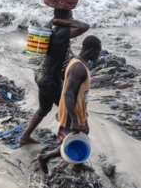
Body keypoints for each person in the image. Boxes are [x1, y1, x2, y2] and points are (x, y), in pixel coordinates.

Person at [19, 9, 90, 144]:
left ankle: (25, 136)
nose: (72, 18)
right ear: (65, 18)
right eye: (70, 15)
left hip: (42, 75)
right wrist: (60, 20)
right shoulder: (62, 32)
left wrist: (57, 20)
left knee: (44, 108)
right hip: (50, 80)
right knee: (70, 111)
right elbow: (84, 26)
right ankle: (68, 145)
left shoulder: (53, 29)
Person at [37, 35, 102, 174]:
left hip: (79, 110)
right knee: (69, 142)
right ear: (90, 50)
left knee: (83, 134)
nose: (99, 55)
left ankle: (77, 165)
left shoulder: (77, 62)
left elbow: (71, 90)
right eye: (98, 51)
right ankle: (44, 158)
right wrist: (73, 119)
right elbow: (68, 93)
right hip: (72, 113)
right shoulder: (78, 68)